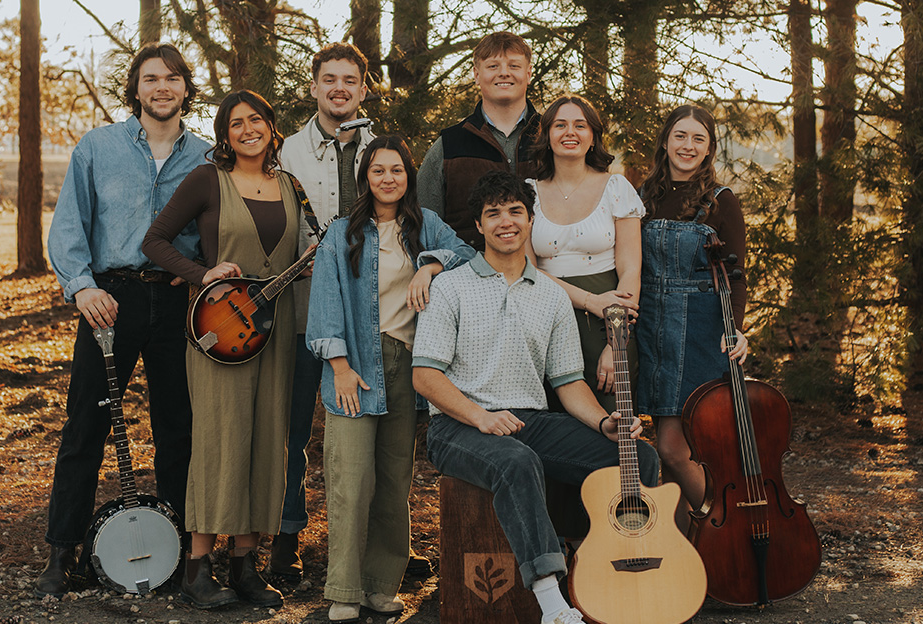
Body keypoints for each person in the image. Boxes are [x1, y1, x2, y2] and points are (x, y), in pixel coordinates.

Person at [412, 170, 660, 624]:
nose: (506, 222)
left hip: (530, 421)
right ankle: (553, 605)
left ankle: (605, 571)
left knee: (635, 458)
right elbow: (426, 376)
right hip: (458, 426)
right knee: (516, 461)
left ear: (529, 221)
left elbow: (568, 384)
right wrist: (479, 417)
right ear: (480, 226)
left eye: (515, 211)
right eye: (494, 214)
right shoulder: (451, 287)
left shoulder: (550, 296)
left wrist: (604, 423)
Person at [37, 42, 207, 598]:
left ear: (186, 88)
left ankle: (182, 555)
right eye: (151, 78)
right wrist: (82, 287)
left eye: (173, 78)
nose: (162, 87)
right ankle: (63, 554)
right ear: (135, 88)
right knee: (86, 424)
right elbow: (68, 226)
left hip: (178, 303)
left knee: (178, 430)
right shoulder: (98, 146)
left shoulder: (207, 157)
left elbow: (220, 233)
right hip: (109, 299)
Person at [142, 90, 306, 610]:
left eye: (255, 120)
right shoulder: (207, 180)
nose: (247, 129)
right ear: (224, 134)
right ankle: (197, 571)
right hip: (219, 335)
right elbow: (156, 241)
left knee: (266, 441)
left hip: (274, 333)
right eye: (236, 123)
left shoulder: (291, 186)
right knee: (220, 442)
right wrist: (202, 272)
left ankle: (245, 568)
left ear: (270, 126)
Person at [307, 135, 475, 623]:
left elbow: (469, 252)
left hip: (408, 365)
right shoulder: (341, 233)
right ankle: (343, 588)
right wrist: (338, 366)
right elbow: (325, 304)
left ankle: (382, 585)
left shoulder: (426, 227)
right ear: (366, 178)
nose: (388, 179)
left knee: (394, 479)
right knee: (350, 480)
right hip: (355, 366)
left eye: (397, 170)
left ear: (408, 176)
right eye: (378, 171)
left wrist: (431, 263)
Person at [275, 42, 376, 579]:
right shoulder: (286, 151)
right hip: (301, 305)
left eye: (350, 80)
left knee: (367, 428)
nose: (340, 88)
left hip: (366, 313)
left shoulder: (382, 150)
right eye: (329, 79)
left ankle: (375, 549)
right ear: (314, 86)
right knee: (292, 427)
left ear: (363, 88)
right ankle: (285, 537)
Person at [636, 104, 749, 524]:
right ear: (665, 141)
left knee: (673, 448)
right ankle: (686, 553)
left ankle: (730, 527)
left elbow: (736, 275)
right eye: (680, 136)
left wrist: (736, 329)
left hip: (700, 330)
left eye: (698, 139)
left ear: (708, 150)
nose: (687, 145)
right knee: (666, 464)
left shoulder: (722, 201)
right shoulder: (642, 196)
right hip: (649, 326)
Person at [523, 94, 644, 413]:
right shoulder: (527, 193)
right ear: (547, 136)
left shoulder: (617, 188)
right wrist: (589, 301)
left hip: (609, 325)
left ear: (593, 137)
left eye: (580, 125)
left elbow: (630, 271)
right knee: (557, 428)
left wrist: (616, 345)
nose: (570, 132)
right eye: (560, 125)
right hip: (547, 322)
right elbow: (527, 272)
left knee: (612, 422)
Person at [417, 31, 540, 250]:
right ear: (476, 74)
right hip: (467, 275)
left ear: (529, 73)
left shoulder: (552, 137)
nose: (504, 73)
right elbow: (426, 225)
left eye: (514, 66)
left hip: (546, 276)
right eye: (493, 66)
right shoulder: (448, 145)